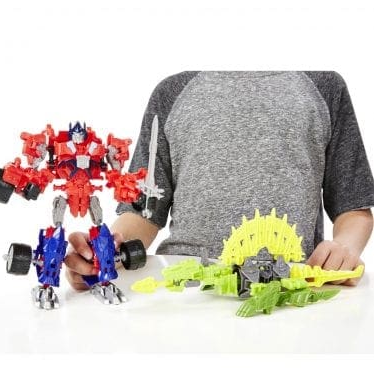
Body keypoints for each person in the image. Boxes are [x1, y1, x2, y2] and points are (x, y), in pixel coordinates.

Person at [65, 71, 374, 290]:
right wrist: (104, 253)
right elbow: (144, 211)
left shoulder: (323, 84)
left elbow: (353, 207)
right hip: (184, 290)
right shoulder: (172, 90)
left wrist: (344, 249)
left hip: (287, 289)